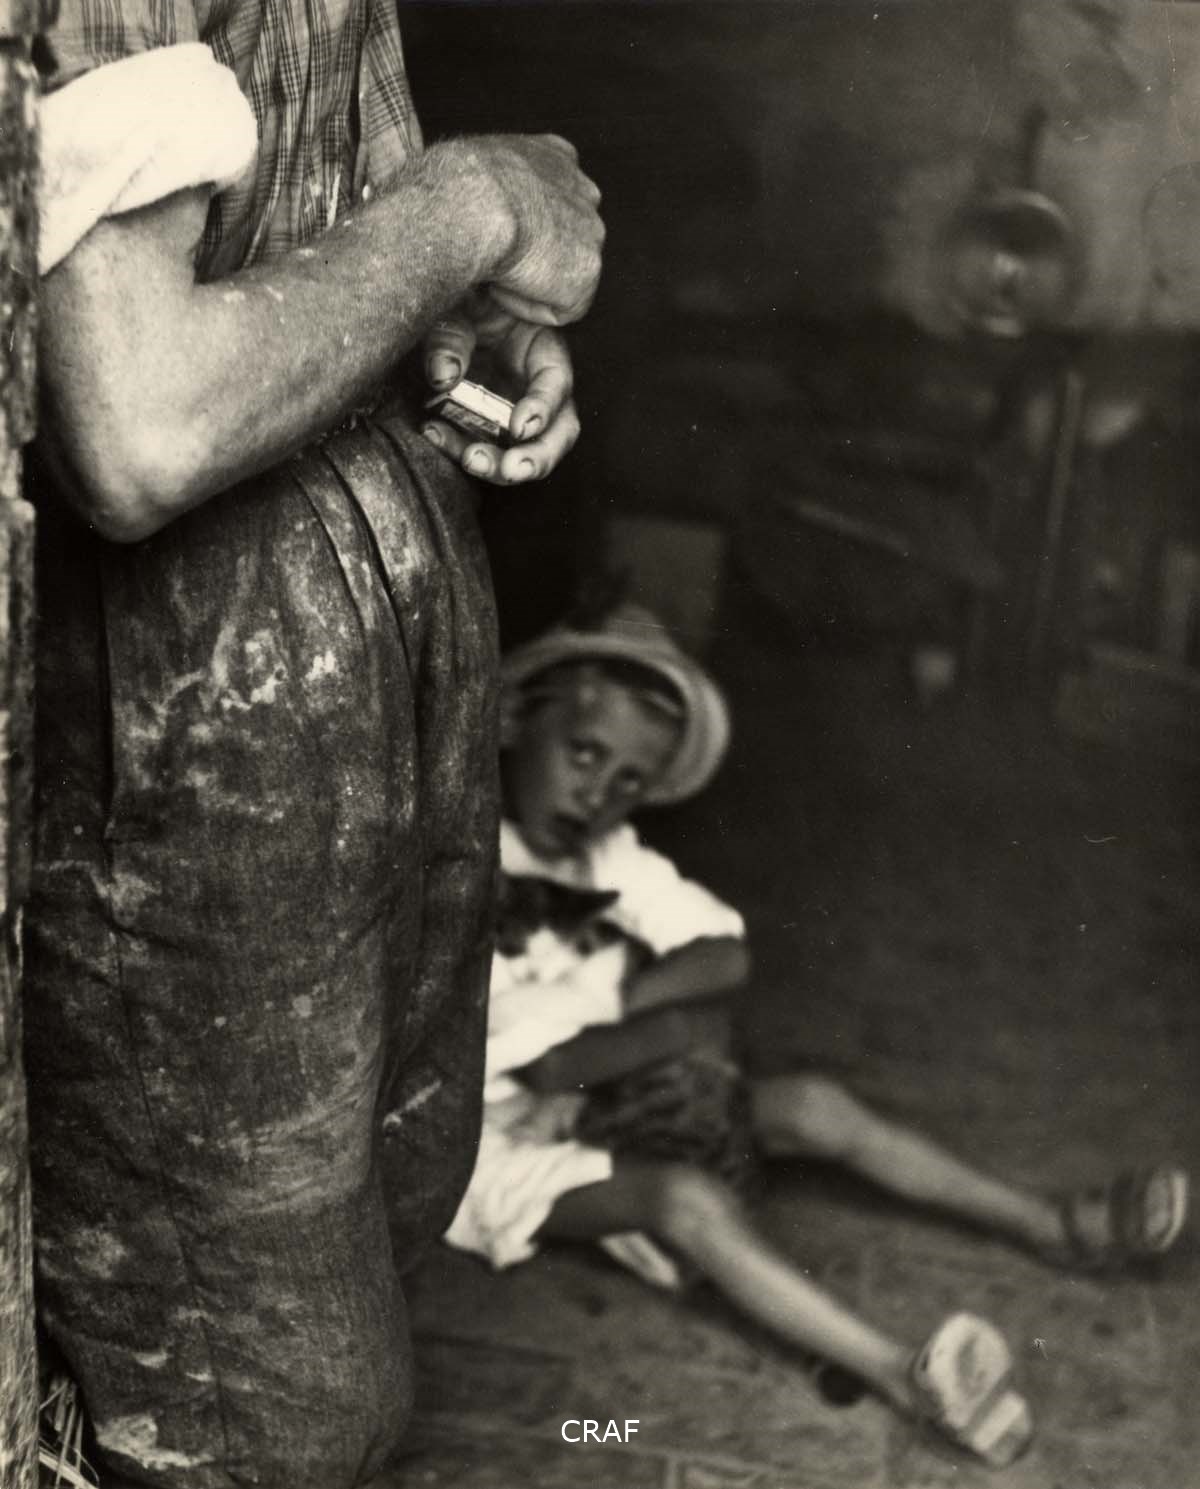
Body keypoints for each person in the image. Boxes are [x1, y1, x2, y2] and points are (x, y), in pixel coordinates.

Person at [24, 7, 603, 1488]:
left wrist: (435, 320)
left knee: (393, 1221)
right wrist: (476, 206)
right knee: (267, 1413)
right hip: (193, 713)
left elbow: (292, 231)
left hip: (365, 668)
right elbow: (140, 425)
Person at [441, 601, 1190, 1470]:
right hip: (480, 1147)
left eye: (629, 781)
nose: (598, 794)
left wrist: (626, 1003)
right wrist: (668, 1027)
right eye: (583, 754)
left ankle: (1052, 1222)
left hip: (594, 1090)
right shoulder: (459, 861)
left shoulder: (604, 858)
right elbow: (544, 1063)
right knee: (684, 1198)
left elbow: (723, 951)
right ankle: (904, 1376)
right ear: (513, 719)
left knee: (812, 1105)